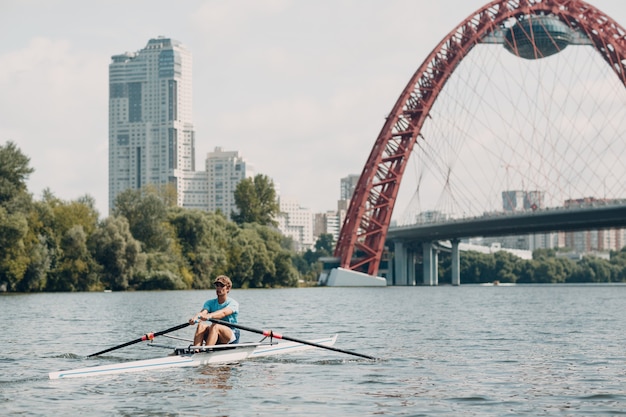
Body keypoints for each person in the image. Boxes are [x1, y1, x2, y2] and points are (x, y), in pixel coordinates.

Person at [189, 275, 240, 346]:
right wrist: (195, 318)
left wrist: (209, 316)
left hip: (231, 335)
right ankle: (196, 350)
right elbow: (203, 312)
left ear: (228, 288)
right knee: (201, 326)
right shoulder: (209, 303)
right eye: (217, 285)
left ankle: (207, 351)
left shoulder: (233, 303)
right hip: (215, 332)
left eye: (221, 286)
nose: (218, 288)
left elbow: (223, 313)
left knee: (215, 326)